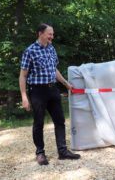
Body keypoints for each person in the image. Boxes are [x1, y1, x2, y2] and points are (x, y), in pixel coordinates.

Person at [19, 23, 80, 166]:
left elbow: (54, 70)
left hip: (53, 90)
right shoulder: (30, 51)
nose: (52, 36)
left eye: (52, 34)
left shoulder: (51, 49)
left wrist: (66, 83)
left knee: (60, 120)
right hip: (37, 91)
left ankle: (63, 151)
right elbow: (23, 76)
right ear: (40, 33)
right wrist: (24, 97)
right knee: (38, 123)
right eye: (49, 34)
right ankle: (40, 153)